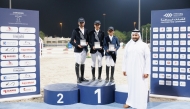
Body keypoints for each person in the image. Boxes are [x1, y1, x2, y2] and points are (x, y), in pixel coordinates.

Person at [122, 29, 150, 109]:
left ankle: (141, 105)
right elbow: (125, 58)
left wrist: (146, 71)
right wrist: (124, 69)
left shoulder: (144, 45)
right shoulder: (128, 45)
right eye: (133, 35)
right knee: (131, 87)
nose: (134, 36)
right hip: (130, 70)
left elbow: (148, 59)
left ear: (139, 36)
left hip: (141, 71)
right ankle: (129, 102)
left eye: (136, 35)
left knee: (141, 87)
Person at [70, 17, 89, 83]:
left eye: (82, 22)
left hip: (84, 49)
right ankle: (78, 78)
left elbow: (88, 39)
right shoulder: (75, 30)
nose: (81, 24)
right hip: (78, 49)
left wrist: (87, 42)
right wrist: (77, 45)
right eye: (80, 23)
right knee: (77, 63)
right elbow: (71, 41)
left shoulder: (86, 30)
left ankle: (82, 77)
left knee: (83, 63)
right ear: (78, 23)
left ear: (84, 23)